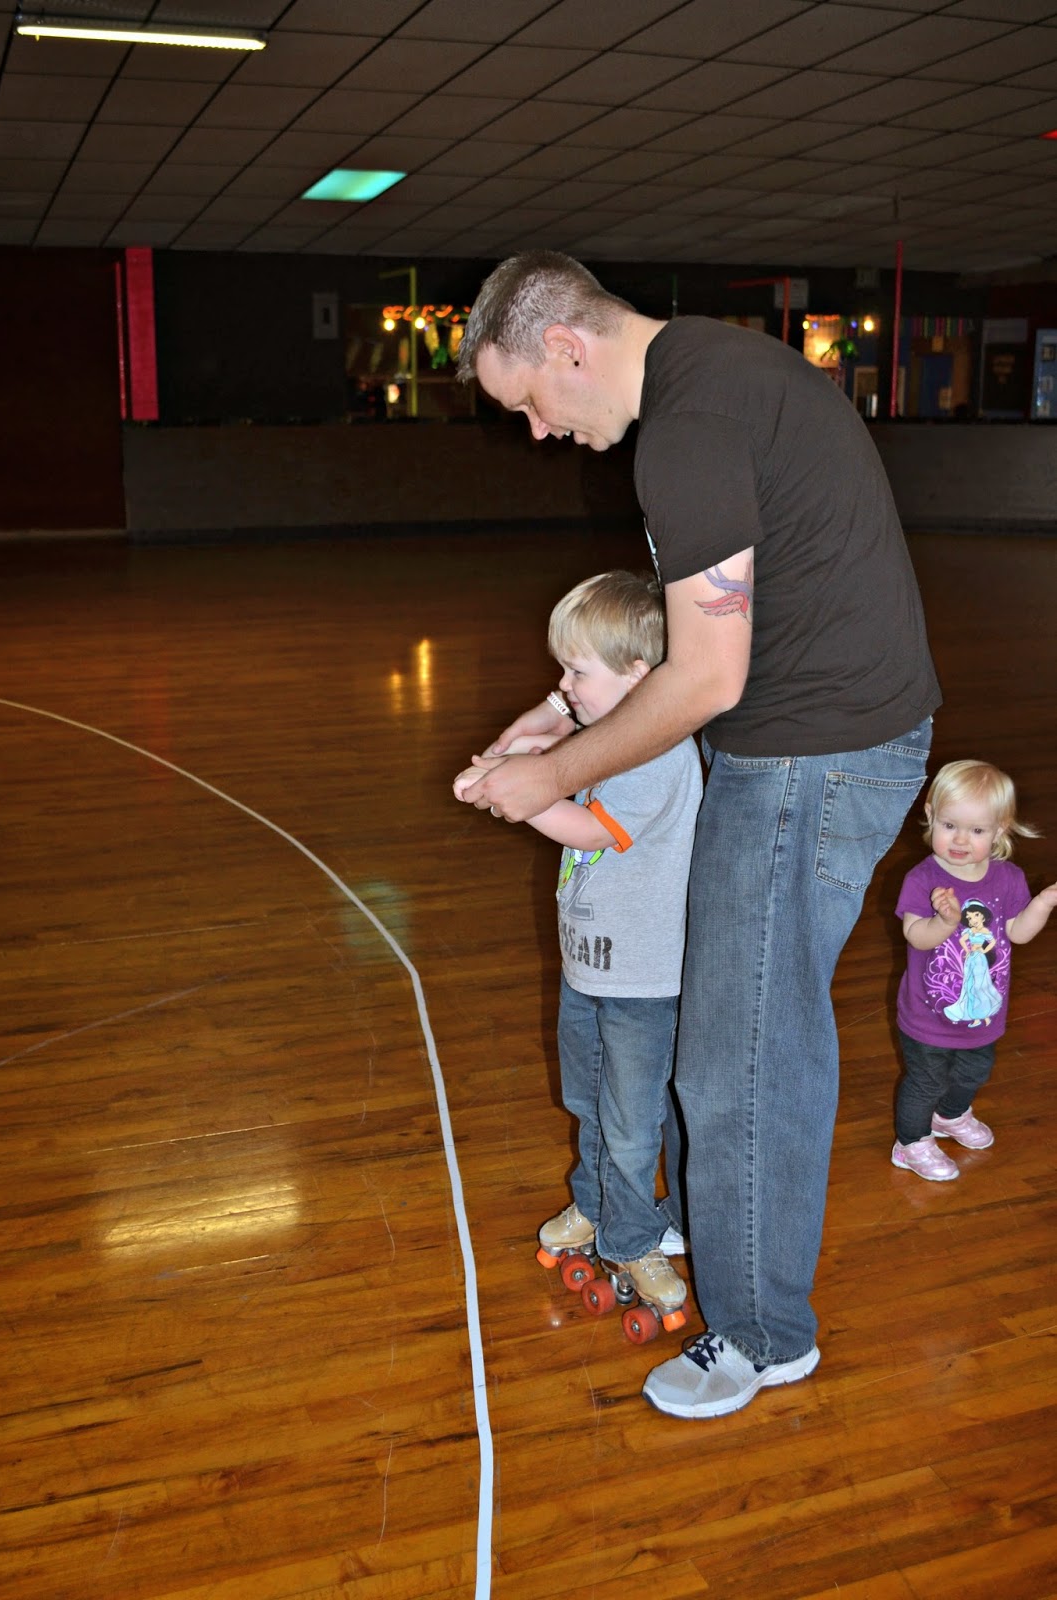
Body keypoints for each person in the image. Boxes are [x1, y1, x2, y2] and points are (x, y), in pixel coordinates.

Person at [455, 251, 942, 1419]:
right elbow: (664, 648)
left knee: (742, 1054)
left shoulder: (686, 426)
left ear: (567, 348)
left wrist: (552, 777)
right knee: (728, 1033)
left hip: (810, 759)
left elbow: (707, 676)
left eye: (527, 400)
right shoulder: (717, 375)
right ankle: (712, 1233)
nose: (535, 430)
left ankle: (762, 1333)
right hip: (818, 739)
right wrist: (553, 721)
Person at [453, 571, 702, 1329]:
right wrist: (523, 752)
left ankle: (634, 1238)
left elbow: (587, 828)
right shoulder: (609, 734)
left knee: (630, 1120)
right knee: (589, 1101)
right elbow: (562, 743)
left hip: (640, 982)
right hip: (589, 967)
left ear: (636, 678)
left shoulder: (657, 757)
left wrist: (517, 791)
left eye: (576, 672)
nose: (564, 686)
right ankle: (595, 1206)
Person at [891, 759, 1056, 1181]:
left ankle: (949, 1115)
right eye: (950, 825)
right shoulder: (922, 878)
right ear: (930, 815)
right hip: (928, 1013)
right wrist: (944, 922)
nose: (961, 839)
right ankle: (910, 1142)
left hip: (984, 1011)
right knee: (926, 1079)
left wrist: (1043, 903)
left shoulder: (1008, 878)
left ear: (1000, 831)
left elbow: (1017, 933)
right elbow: (916, 937)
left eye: (977, 831)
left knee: (974, 1070)